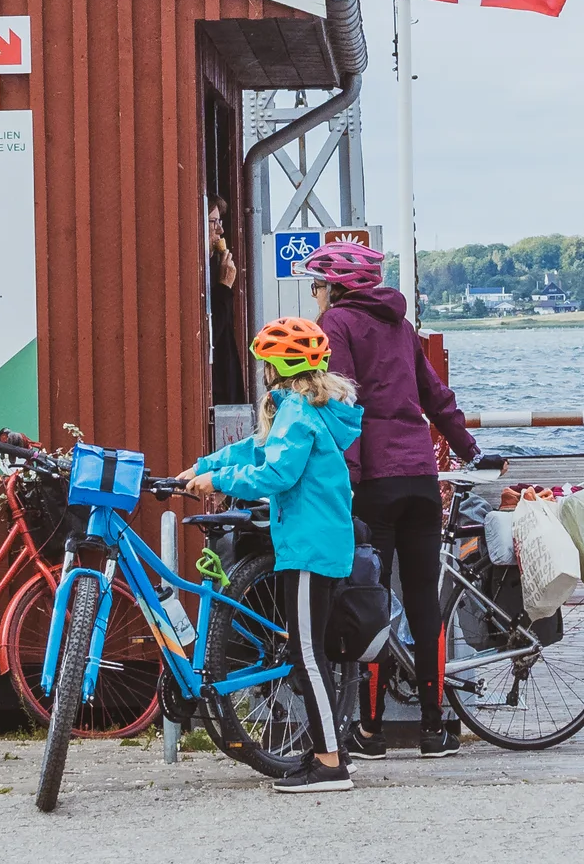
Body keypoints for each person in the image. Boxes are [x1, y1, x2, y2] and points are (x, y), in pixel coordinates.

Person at [170, 317, 363, 795]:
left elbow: (275, 473)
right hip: (313, 541)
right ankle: (325, 751)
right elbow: (255, 448)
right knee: (307, 653)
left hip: (309, 547)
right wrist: (205, 465)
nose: (262, 373)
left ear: (278, 367)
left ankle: (331, 764)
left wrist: (218, 482)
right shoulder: (304, 409)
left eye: (264, 364)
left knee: (307, 656)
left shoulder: (297, 413)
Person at [303, 240, 479, 758]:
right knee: (424, 602)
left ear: (335, 286)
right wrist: (469, 448)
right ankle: (432, 727)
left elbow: (343, 403)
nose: (315, 295)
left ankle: (371, 731)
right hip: (421, 476)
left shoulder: (336, 325)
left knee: (371, 602)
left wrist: (348, 479)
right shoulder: (401, 328)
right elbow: (434, 395)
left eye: (317, 285)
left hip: (374, 481)